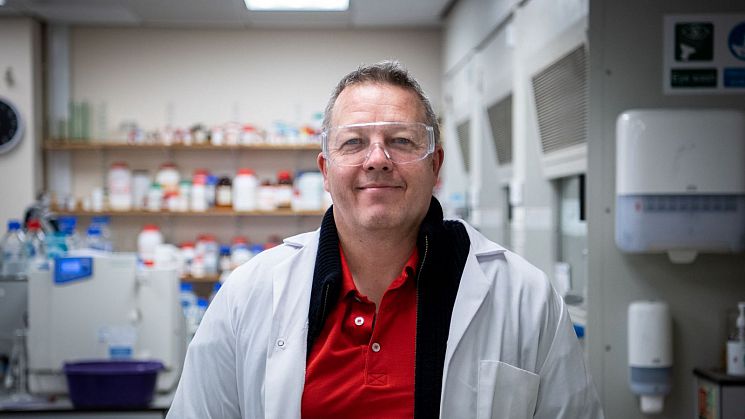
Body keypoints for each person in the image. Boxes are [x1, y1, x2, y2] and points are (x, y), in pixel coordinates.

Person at [167, 60, 604, 418]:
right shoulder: (250, 294)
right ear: (324, 169)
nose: (377, 159)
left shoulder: (524, 297)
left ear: (436, 165)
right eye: (354, 142)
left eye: (400, 140)